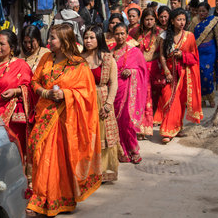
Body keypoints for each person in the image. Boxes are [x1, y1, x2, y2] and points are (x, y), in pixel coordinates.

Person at [26, 24, 101, 216]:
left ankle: (55, 199)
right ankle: (41, 196)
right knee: (41, 154)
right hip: (45, 114)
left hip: (66, 118)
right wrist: (44, 92)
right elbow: (34, 81)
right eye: (49, 38)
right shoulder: (46, 58)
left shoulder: (79, 64)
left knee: (59, 159)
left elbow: (87, 94)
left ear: (65, 41)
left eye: (52, 38)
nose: (48, 42)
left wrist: (65, 94)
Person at [153, 8, 202, 143]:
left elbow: (194, 56)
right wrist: (166, 71)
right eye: (179, 20)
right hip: (169, 73)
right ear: (173, 21)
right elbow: (162, 56)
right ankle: (168, 130)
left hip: (184, 74)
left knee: (179, 102)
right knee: (168, 98)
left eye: (184, 20)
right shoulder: (164, 36)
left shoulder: (189, 36)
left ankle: (173, 129)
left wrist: (182, 55)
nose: (182, 22)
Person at [81, 25, 120, 182]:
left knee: (103, 136)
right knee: (86, 136)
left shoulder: (108, 58)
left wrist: (108, 105)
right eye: (86, 38)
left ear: (98, 38)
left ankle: (102, 172)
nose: (88, 41)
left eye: (91, 37)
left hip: (102, 98)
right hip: (84, 101)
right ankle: (87, 171)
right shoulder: (79, 58)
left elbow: (114, 82)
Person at [112, 23, 148, 163]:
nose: (120, 36)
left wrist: (132, 72)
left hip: (128, 92)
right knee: (116, 122)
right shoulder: (110, 52)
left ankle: (133, 149)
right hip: (114, 91)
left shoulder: (135, 52)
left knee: (127, 122)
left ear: (127, 34)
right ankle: (121, 151)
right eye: (117, 34)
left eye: (122, 33)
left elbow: (143, 71)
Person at [129, 8, 163, 137]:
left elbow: (163, 53)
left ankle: (147, 125)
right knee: (142, 97)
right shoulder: (134, 32)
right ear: (142, 20)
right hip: (139, 69)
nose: (149, 22)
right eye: (146, 19)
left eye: (151, 20)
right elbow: (129, 49)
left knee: (153, 98)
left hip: (154, 68)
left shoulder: (160, 33)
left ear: (155, 20)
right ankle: (141, 128)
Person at [190, 3, 218, 107]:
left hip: (210, 51)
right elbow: (189, 36)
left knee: (208, 74)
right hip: (198, 51)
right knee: (199, 75)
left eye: (204, 11)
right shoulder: (194, 21)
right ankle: (202, 99)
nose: (202, 13)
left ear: (208, 11)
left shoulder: (213, 21)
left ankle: (211, 98)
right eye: (200, 11)